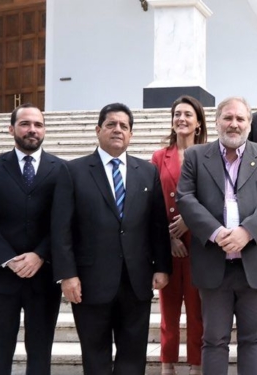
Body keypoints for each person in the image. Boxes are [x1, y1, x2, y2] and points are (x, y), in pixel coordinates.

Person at [51, 102, 172, 374]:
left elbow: (157, 224)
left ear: (131, 134)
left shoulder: (148, 172)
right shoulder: (73, 171)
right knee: (95, 357)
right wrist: (67, 275)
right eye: (111, 124)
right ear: (98, 130)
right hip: (90, 282)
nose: (118, 130)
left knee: (133, 356)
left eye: (124, 126)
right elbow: (61, 229)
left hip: (136, 281)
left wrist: (162, 266)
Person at [176, 97, 257, 374]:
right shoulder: (196, 156)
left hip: (255, 263)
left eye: (240, 119)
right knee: (213, 340)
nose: (234, 124)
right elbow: (185, 197)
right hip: (214, 264)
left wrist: (247, 232)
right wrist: (214, 232)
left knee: (253, 339)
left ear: (249, 124)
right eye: (228, 118)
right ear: (216, 122)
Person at [0, 103, 64, 375]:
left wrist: (40, 254)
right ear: (11, 128)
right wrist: (9, 259)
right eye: (25, 124)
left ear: (44, 130)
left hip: (44, 277)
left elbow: (63, 221)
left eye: (38, 124)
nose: (32, 130)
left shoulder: (62, 170)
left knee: (40, 353)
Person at [151, 96, 207, 375]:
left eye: (188, 114)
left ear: (198, 122)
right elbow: (152, 203)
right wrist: (168, 238)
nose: (181, 118)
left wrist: (190, 221)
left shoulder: (210, 154)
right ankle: (167, 365)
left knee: (197, 311)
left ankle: (196, 365)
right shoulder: (160, 157)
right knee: (168, 311)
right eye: (177, 114)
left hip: (199, 244)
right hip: (169, 245)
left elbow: (216, 199)